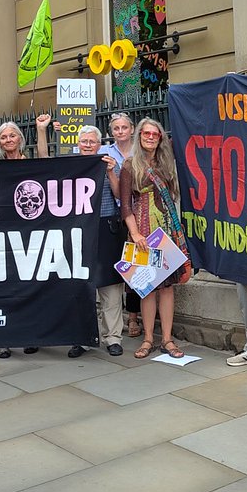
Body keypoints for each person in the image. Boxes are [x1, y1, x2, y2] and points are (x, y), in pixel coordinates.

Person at [120, 117, 192, 359]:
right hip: (142, 232)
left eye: (155, 134)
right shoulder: (130, 166)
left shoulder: (166, 164)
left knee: (167, 287)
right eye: (146, 134)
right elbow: (125, 205)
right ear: (139, 136)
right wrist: (135, 233)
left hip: (166, 231)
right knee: (148, 288)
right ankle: (148, 338)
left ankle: (168, 339)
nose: (150, 137)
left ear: (160, 138)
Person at [0, 113, 52, 359]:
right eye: (3, 137)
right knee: (4, 287)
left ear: (20, 138)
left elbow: (45, 160)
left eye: (12, 135)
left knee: (30, 286)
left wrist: (41, 129)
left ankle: (29, 334)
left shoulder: (30, 163)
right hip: (2, 235)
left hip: (30, 234)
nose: (8, 140)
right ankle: (4, 339)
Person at [73, 124, 126, 357]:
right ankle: (82, 336)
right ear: (78, 144)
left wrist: (111, 172)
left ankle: (112, 337)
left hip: (106, 226)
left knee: (110, 286)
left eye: (92, 141)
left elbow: (119, 195)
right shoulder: (70, 166)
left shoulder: (109, 163)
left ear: (99, 144)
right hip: (79, 229)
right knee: (80, 285)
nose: (87, 145)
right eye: (84, 141)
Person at [103, 113, 142, 339]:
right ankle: (126, 316)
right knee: (122, 266)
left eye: (124, 127)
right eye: (116, 128)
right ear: (111, 132)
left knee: (137, 265)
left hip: (139, 214)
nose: (120, 132)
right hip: (116, 216)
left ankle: (134, 316)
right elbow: (78, 156)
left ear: (132, 129)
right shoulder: (104, 152)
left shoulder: (140, 151)